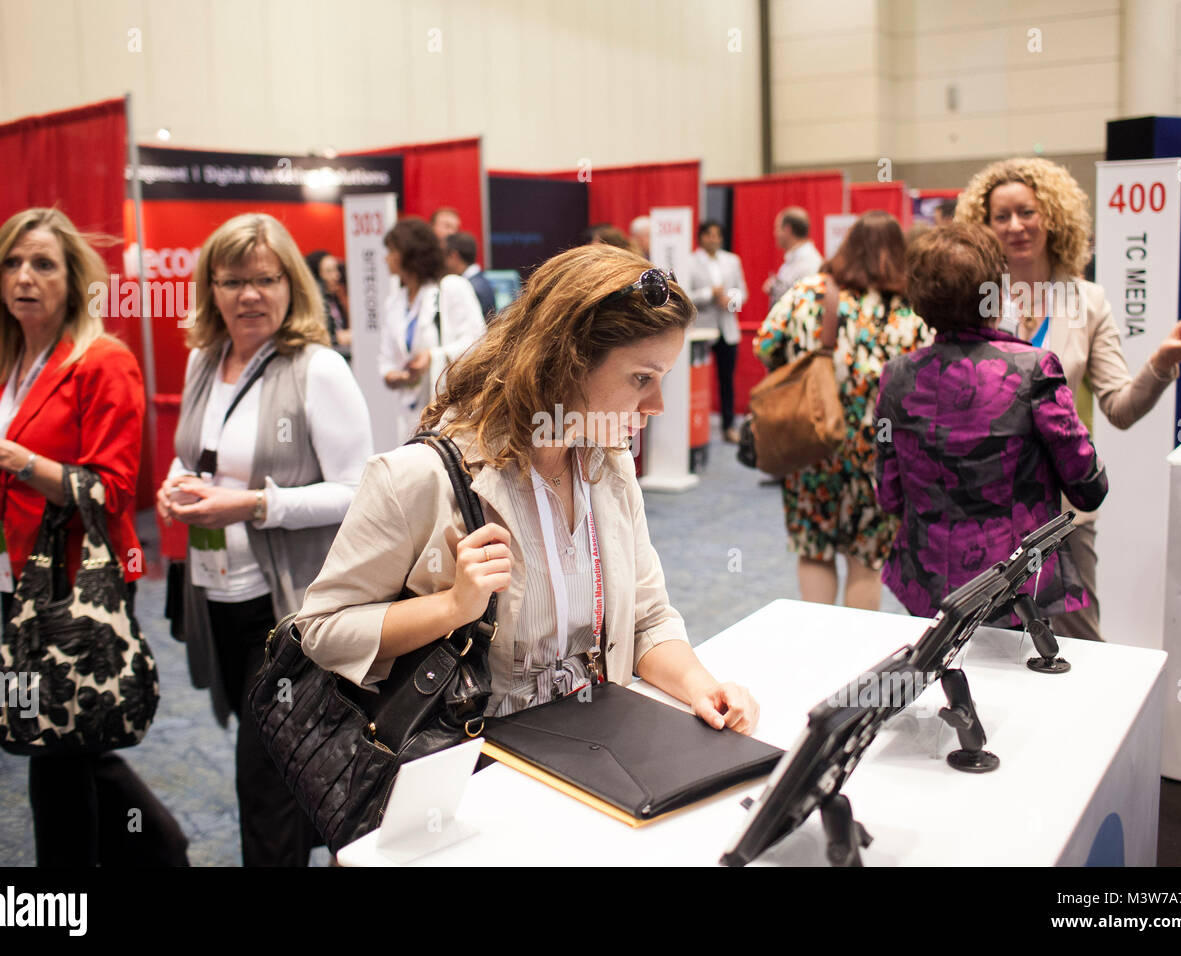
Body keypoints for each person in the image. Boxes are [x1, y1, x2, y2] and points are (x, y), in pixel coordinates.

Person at [296, 244, 759, 733]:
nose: (656, 405)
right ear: (567, 362)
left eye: (661, 378)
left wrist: (700, 685)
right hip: (474, 767)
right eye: (641, 378)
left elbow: (647, 620)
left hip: (598, 749)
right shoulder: (419, 477)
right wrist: (452, 607)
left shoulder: (610, 468)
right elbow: (323, 631)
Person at [0, 207, 188, 867]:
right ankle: (161, 850)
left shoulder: (104, 362)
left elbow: (108, 489)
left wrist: (11, 457)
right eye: (13, 264)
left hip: (79, 579)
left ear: (73, 281)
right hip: (13, 576)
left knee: (56, 749)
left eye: (43, 264)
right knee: (62, 741)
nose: (25, 277)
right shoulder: (4, 361)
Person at [157, 212, 374, 866]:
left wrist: (256, 506)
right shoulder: (205, 360)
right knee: (281, 768)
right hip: (215, 597)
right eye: (231, 281)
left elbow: (361, 491)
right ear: (211, 289)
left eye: (265, 279)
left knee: (264, 779)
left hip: (287, 614)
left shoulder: (317, 369)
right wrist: (174, 486)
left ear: (290, 285)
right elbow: (194, 455)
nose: (249, 294)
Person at [956, 157, 1181, 640]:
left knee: (1081, 645)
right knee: (988, 645)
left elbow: (1120, 409)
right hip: (984, 506)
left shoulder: (1086, 301)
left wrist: (1162, 362)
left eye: (1027, 212)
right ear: (984, 225)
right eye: (1002, 216)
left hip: (1063, 514)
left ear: (1052, 217)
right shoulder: (973, 299)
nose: (1016, 226)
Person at [876, 223, 1109, 622]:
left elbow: (889, 495)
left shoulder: (896, 375)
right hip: (1017, 592)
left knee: (941, 683)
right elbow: (1089, 488)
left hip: (928, 586)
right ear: (996, 294)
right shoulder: (1034, 368)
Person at [753, 210, 932, 611]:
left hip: (812, 440)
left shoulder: (807, 292)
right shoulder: (911, 307)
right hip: (882, 453)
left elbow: (763, 344)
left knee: (815, 549)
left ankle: (818, 648)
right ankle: (855, 658)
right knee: (865, 561)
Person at [379, 216, 486, 445]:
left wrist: (432, 357)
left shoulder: (451, 288)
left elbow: (479, 344)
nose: (386, 257)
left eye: (391, 250)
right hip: (409, 414)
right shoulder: (394, 303)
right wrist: (394, 375)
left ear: (407, 253)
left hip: (452, 415)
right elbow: (386, 360)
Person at [687, 220, 747, 442]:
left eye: (717, 235)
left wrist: (730, 301)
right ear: (701, 237)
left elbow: (743, 293)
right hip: (700, 330)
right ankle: (693, 425)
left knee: (726, 380)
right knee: (695, 379)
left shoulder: (732, 261)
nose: (714, 239)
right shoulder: (689, 262)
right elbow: (685, 296)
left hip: (727, 329)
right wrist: (709, 294)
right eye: (709, 235)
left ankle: (728, 426)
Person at [763, 206, 822, 306]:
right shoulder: (795, 259)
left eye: (777, 228)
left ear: (787, 230)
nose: (774, 233)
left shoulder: (809, 262)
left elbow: (807, 303)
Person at [304, 249, 350, 354]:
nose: (336, 276)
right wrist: (337, 338)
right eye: (329, 271)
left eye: (336, 269)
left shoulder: (338, 297)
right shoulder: (314, 304)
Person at [444, 230, 497, 320]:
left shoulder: (471, 287)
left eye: (444, 256)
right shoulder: (478, 282)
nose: (442, 263)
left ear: (454, 256)